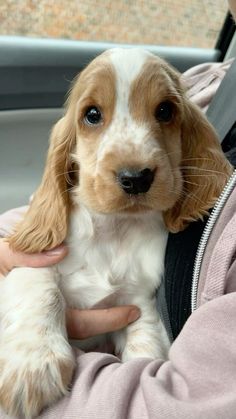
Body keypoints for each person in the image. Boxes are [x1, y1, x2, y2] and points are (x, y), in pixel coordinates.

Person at [0, 1, 236, 417]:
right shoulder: (209, 86)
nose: (133, 163)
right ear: (67, 152)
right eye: (94, 115)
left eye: (163, 112)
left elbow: (174, 393)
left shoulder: (195, 129)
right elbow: (34, 245)